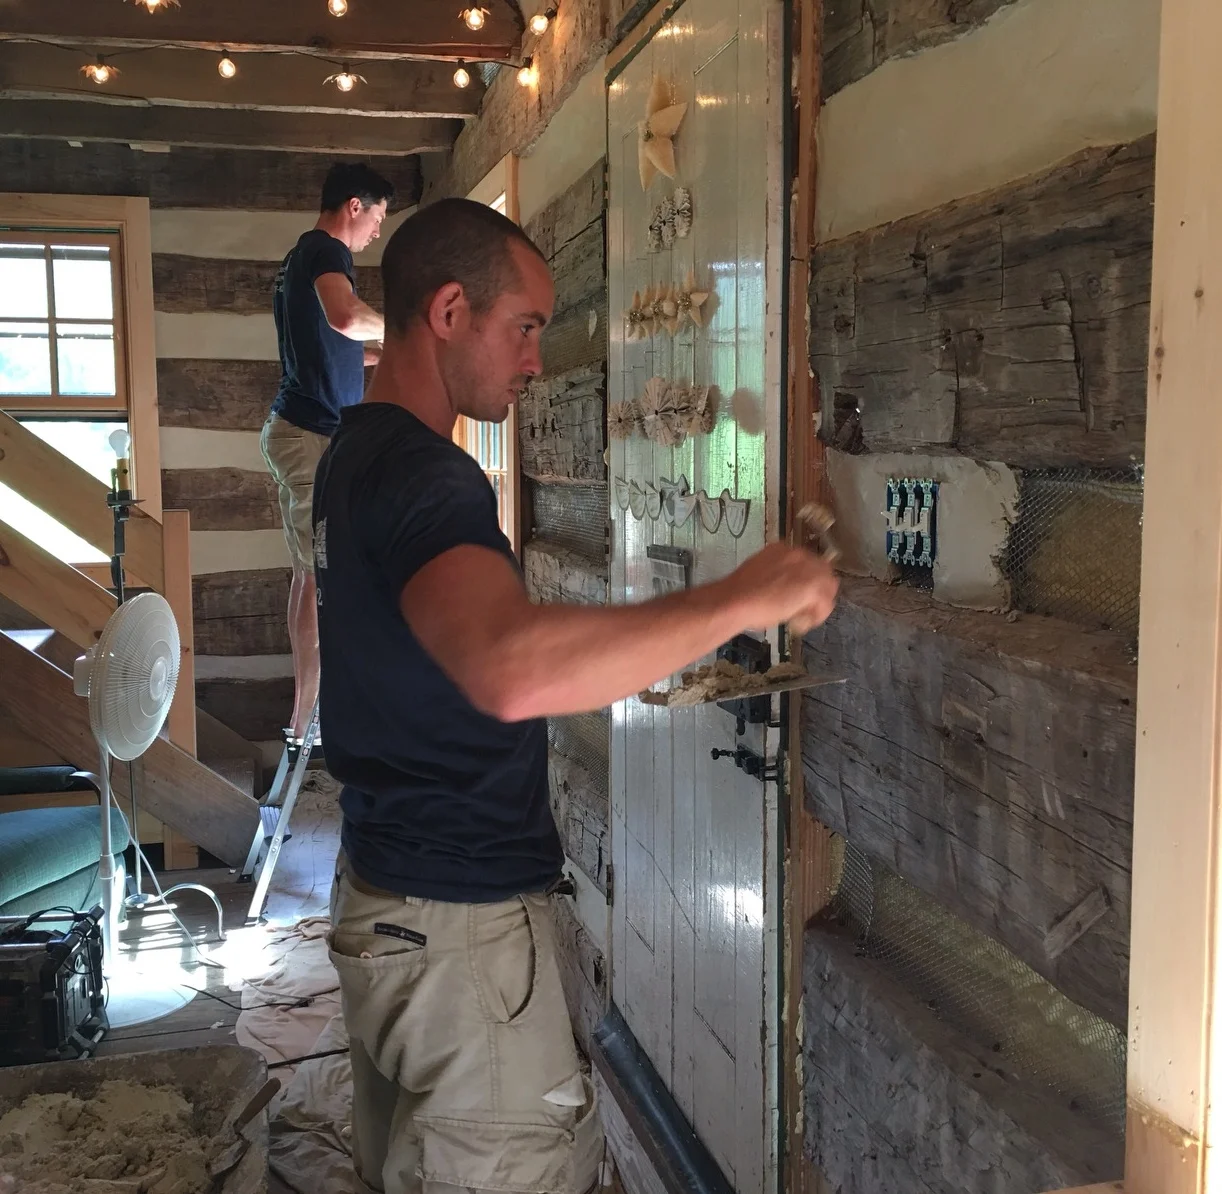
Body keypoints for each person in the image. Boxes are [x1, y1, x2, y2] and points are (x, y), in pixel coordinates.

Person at [314, 198, 840, 1194]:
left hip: (391, 901)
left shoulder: (354, 452)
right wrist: (745, 597)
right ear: (449, 312)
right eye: (525, 327)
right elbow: (510, 668)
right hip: (456, 933)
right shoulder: (428, 477)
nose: (535, 361)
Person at [261, 161, 393, 745]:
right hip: (309, 435)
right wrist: (401, 330)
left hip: (303, 432)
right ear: (354, 206)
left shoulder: (303, 257)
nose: (377, 231)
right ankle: (309, 717)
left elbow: (338, 345)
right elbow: (345, 318)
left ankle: (303, 714)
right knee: (321, 576)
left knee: (308, 574)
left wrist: (392, 354)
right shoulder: (324, 251)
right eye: (378, 217)